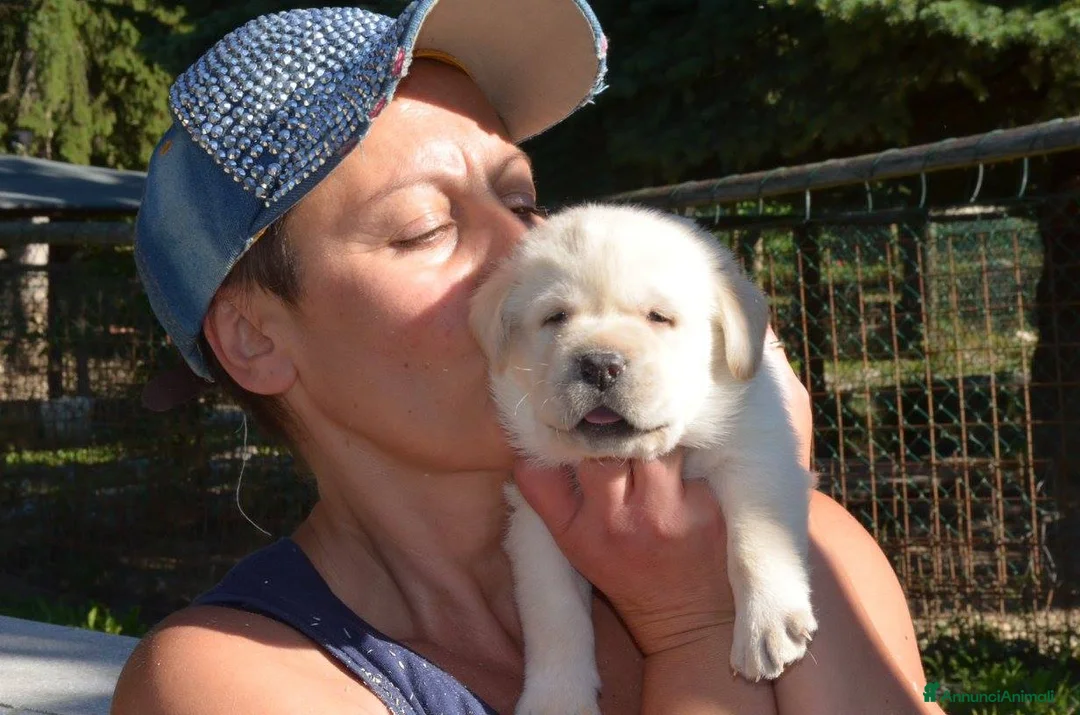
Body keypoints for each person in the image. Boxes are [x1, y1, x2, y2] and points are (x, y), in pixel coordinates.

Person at [112, 2, 944, 713]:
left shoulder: (805, 542)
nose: (530, 249)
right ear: (255, 339)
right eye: (426, 229)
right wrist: (692, 623)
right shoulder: (234, 676)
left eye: (522, 199)